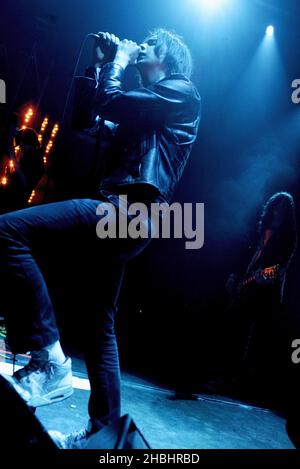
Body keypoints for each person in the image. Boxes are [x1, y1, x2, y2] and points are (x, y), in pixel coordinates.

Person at [0, 28, 201, 448]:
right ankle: (103, 435)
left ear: (165, 58)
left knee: (7, 229)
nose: (136, 45)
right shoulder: (147, 113)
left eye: (145, 45)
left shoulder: (182, 92)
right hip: (126, 216)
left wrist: (118, 61)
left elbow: (116, 100)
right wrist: (94, 67)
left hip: (128, 212)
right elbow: (85, 122)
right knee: (99, 324)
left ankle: (48, 359)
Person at [224, 192, 298, 394]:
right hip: (246, 284)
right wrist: (235, 275)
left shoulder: (288, 235)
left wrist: (264, 274)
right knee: (235, 329)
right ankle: (226, 375)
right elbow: (244, 254)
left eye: (284, 207)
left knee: (253, 336)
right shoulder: (260, 230)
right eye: (277, 206)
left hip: (266, 291)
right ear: (272, 208)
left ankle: (238, 380)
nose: (279, 211)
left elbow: (282, 266)